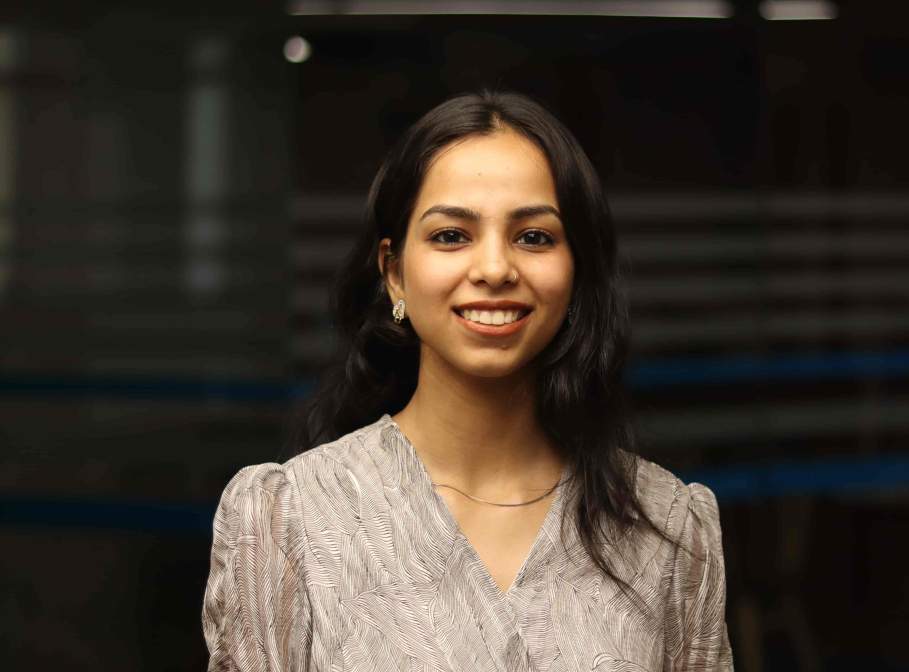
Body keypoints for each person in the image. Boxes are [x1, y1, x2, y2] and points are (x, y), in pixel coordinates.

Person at [201, 89, 734, 671]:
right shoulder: (288, 521)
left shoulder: (668, 528)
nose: (495, 269)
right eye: (451, 235)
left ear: (576, 271)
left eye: (534, 236)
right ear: (395, 274)